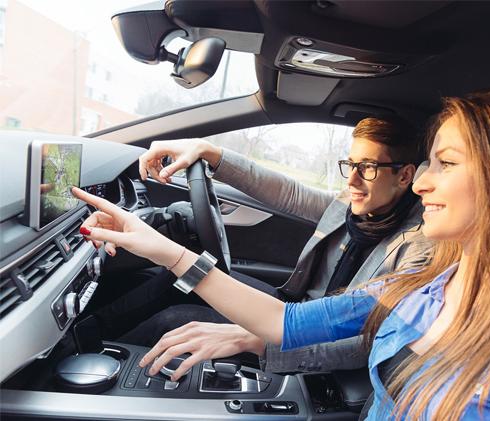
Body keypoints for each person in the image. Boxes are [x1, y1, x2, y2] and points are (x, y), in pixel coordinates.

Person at [73, 90, 490, 420]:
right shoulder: (429, 285)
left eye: (445, 164)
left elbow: (321, 341)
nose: (423, 186)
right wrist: (165, 249)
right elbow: (284, 320)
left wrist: (247, 339)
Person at [92, 116, 432, 374]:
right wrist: (212, 153)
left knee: (174, 320)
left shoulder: (420, 247)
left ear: (405, 176)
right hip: (290, 308)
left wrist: (258, 341)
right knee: (183, 280)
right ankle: (90, 337)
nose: (353, 179)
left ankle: (95, 369)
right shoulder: (358, 202)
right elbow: (290, 194)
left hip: (310, 340)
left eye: (368, 167)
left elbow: (366, 343)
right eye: (351, 165)